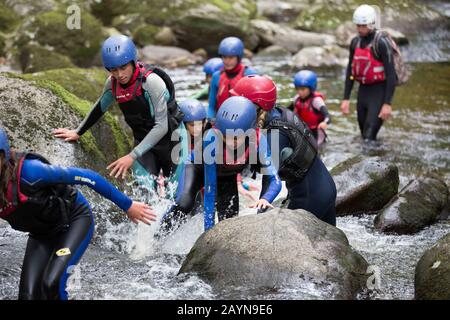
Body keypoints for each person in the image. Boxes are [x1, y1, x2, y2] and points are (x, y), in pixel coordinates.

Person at [0, 127, 156, 300]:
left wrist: (128, 205)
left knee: (51, 284)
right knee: (27, 296)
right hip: (41, 234)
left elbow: (89, 177)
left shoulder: (30, 172)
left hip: (74, 221)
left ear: (3, 156)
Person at [53, 35, 182, 181]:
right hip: (144, 142)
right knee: (145, 192)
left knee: (181, 202)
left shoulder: (151, 82)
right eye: (113, 70)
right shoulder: (113, 84)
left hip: (172, 140)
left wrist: (131, 156)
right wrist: (78, 132)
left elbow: (161, 126)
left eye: (123, 67)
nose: (119, 75)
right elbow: (100, 108)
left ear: (133, 62)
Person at [162, 96, 282, 233]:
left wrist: (266, 199)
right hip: (197, 169)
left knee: (230, 223)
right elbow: (210, 191)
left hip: (227, 175)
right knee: (184, 203)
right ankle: (158, 237)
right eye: (225, 136)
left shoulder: (259, 140)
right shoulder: (211, 140)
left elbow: (274, 179)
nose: (230, 142)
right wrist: (208, 232)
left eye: (236, 138)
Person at [230, 75, 336, 226]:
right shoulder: (279, 112)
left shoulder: (275, 134)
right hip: (324, 186)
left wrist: (260, 212)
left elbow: (270, 177)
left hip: (310, 196)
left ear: (258, 106)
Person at [340, 4, 396, 142]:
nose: (360, 29)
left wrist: (387, 104)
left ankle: (375, 162)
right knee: (363, 134)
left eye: (363, 26)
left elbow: (391, 75)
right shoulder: (355, 42)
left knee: (369, 137)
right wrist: (346, 99)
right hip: (363, 91)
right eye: (358, 25)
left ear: (371, 24)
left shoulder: (381, 43)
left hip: (379, 93)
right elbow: (350, 71)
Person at [207, 37, 258, 120]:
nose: (227, 61)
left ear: (238, 57)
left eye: (231, 58)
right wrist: (210, 120)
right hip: (221, 120)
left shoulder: (249, 74)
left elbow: (257, 105)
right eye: (224, 57)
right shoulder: (216, 76)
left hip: (244, 119)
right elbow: (211, 107)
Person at [290, 70, 331, 145]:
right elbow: (287, 111)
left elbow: (327, 116)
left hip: (316, 135)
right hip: (303, 132)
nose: (300, 92)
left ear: (311, 88)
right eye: (297, 88)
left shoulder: (316, 101)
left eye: (303, 89)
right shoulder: (296, 99)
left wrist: (325, 122)